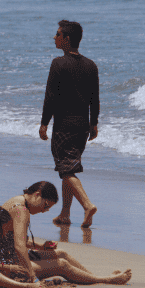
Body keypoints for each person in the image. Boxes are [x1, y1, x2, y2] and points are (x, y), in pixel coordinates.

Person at [2, 181, 131, 285]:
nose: (44, 210)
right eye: (46, 205)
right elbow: (19, 246)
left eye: (48, 208)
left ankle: (94, 277)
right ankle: (105, 280)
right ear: (37, 194)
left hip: (7, 255)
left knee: (61, 253)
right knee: (61, 265)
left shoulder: (18, 201)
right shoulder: (21, 210)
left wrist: (42, 247)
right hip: (6, 264)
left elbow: (14, 240)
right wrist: (32, 277)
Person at [39, 20, 99, 228]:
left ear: (66, 39)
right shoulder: (91, 65)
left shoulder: (58, 64)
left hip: (64, 125)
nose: (54, 38)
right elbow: (95, 99)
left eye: (57, 34)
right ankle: (65, 214)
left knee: (66, 170)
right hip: (82, 127)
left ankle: (87, 204)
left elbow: (51, 97)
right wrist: (94, 124)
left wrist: (44, 123)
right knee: (69, 167)